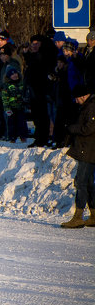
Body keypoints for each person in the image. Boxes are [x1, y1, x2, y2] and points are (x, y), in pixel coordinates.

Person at [60, 84, 95, 228]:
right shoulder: (87, 106)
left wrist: (72, 128)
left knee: (80, 182)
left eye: (77, 98)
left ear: (83, 96)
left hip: (89, 149)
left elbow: (89, 128)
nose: (75, 101)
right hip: (86, 148)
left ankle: (78, 216)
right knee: (87, 183)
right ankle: (93, 215)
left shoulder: (92, 107)